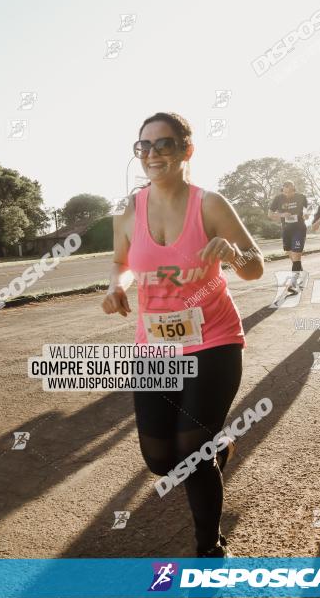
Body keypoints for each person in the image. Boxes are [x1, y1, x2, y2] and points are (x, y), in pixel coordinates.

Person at [101, 112, 264, 558]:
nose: (153, 154)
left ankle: (209, 547)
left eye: (164, 144)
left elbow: (254, 267)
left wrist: (232, 254)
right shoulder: (128, 211)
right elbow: (123, 260)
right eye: (145, 146)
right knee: (159, 460)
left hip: (214, 340)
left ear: (186, 150)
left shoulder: (210, 204)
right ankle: (220, 444)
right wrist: (117, 285)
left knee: (192, 454)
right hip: (156, 345)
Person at [269, 181, 309, 297]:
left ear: (294, 190)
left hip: (299, 230)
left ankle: (293, 284)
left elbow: (308, 210)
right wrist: (282, 215)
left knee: (296, 257)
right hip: (286, 231)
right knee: (291, 255)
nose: (287, 194)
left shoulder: (301, 197)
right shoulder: (278, 199)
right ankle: (302, 275)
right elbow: (270, 214)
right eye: (285, 192)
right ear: (282, 190)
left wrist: (307, 214)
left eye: (290, 192)